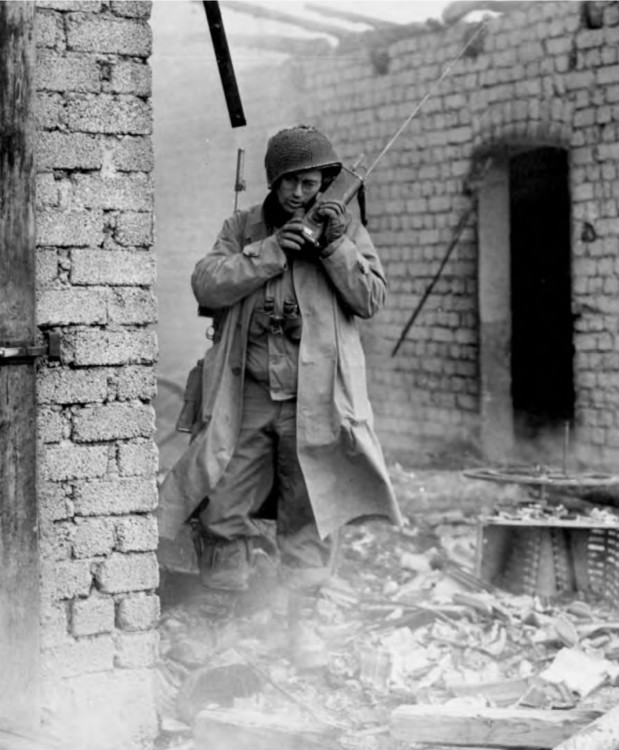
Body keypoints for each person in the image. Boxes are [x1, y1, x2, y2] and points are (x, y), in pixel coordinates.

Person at [159, 124, 402, 667]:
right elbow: (206, 283)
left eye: (310, 182)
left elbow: (370, 298)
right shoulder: (243, 226)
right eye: (290, 182)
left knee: (310, 507)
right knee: (223, 500)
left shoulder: (343, 226)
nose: (299, 193)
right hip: (244, 397)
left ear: (324, 183)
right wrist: (268, 252)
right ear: (273, 181)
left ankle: (302, 625)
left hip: (315, 400)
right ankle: (216, 617)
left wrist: (335, 247)